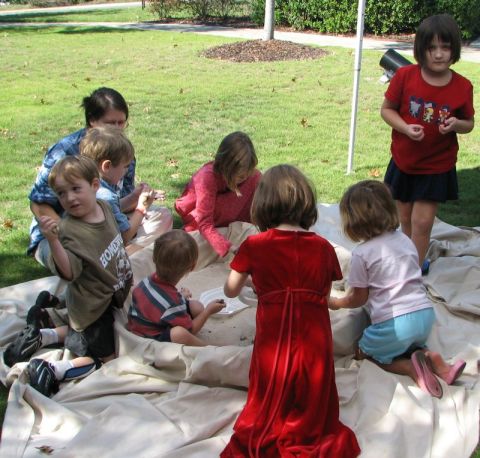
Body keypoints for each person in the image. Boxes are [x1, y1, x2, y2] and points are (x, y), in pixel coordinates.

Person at [220, 165, 360, 457]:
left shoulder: (254, 245)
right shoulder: (323, 247)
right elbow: (322, 293)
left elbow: (230, 290)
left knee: (273, 379)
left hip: (274, 335)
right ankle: (307, 423)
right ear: (305, 202)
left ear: (264, 204)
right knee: (312, 380)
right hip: (315, 335)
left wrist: (253, 280)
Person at [5, 156, 133, 397]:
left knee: (81, 335)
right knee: (104, 359)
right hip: (92, 308)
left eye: (76, 189)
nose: (70, 198)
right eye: (62, 194)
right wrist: (53, 241)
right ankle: (53, 369)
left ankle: (41, 336)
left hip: (106, 297)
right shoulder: (69, 231)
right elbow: (69, 272)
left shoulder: (104, 208)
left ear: (95, 185)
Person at [328, 180, 466, 399]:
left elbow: (358, 298)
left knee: (364, 352)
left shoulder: (362, 254)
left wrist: (335, 303)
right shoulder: (405, 240)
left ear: (352, 222)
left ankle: (409, 368)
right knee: (404, 343)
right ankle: (431, 359)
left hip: (395, 325)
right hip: (424, 317)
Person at [28, 87, 170, 266]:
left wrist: (137, 198)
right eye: (111, 123)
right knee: (80, 260)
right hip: (61, 234)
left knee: (162, 215)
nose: (118, 129)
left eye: (122, 122)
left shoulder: (122, 150)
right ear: (92, 121)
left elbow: (115, 204)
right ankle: (121, 259)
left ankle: (120, 257)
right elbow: (38, 204)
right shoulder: (64, 152)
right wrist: (72, 235)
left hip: (105, 223)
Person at [381, 14, 475, 274]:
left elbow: (469, 123)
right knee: (405, 220)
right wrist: (405, 128)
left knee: (422, 223)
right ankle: (410, 254)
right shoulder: (405, 77)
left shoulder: (462, 87)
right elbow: (387, 110)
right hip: (404, 161)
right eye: (431, 48)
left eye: (445, 47)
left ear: (454, 49)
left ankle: (412, 272)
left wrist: (456, 124)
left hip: (436, 166)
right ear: (420, 49)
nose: (438, 54)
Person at [175, 131, 261, 269]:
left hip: (233, 226)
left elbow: (262, 210)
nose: (244, 179)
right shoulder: (207, 178)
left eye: (248, 174)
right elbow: (204, 224)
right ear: (225, 168)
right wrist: (230, 248)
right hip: (202, 228)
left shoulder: (254, 177)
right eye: (239, 177)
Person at [80, 125, 171, 255]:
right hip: (104, 252)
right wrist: (142, 207)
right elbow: (123, 236)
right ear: (107, 166)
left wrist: (133, 197)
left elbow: (112, 209)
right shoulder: (105, 195)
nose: (126, 171)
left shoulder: (88, 184)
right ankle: (131, 256)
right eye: (125, 166)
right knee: (163, 219)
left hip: (90, 245)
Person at [127, 230, 226, 346]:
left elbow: (161, 302)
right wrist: (208, 311)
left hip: (154, 319)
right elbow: (191, 329)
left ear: (153, 258)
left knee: (197, 307)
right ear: (192, 267)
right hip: (152, 337)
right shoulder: (173, 303)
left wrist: (181, 297)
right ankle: (206, 347)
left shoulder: (146, 281)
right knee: (180, 334)